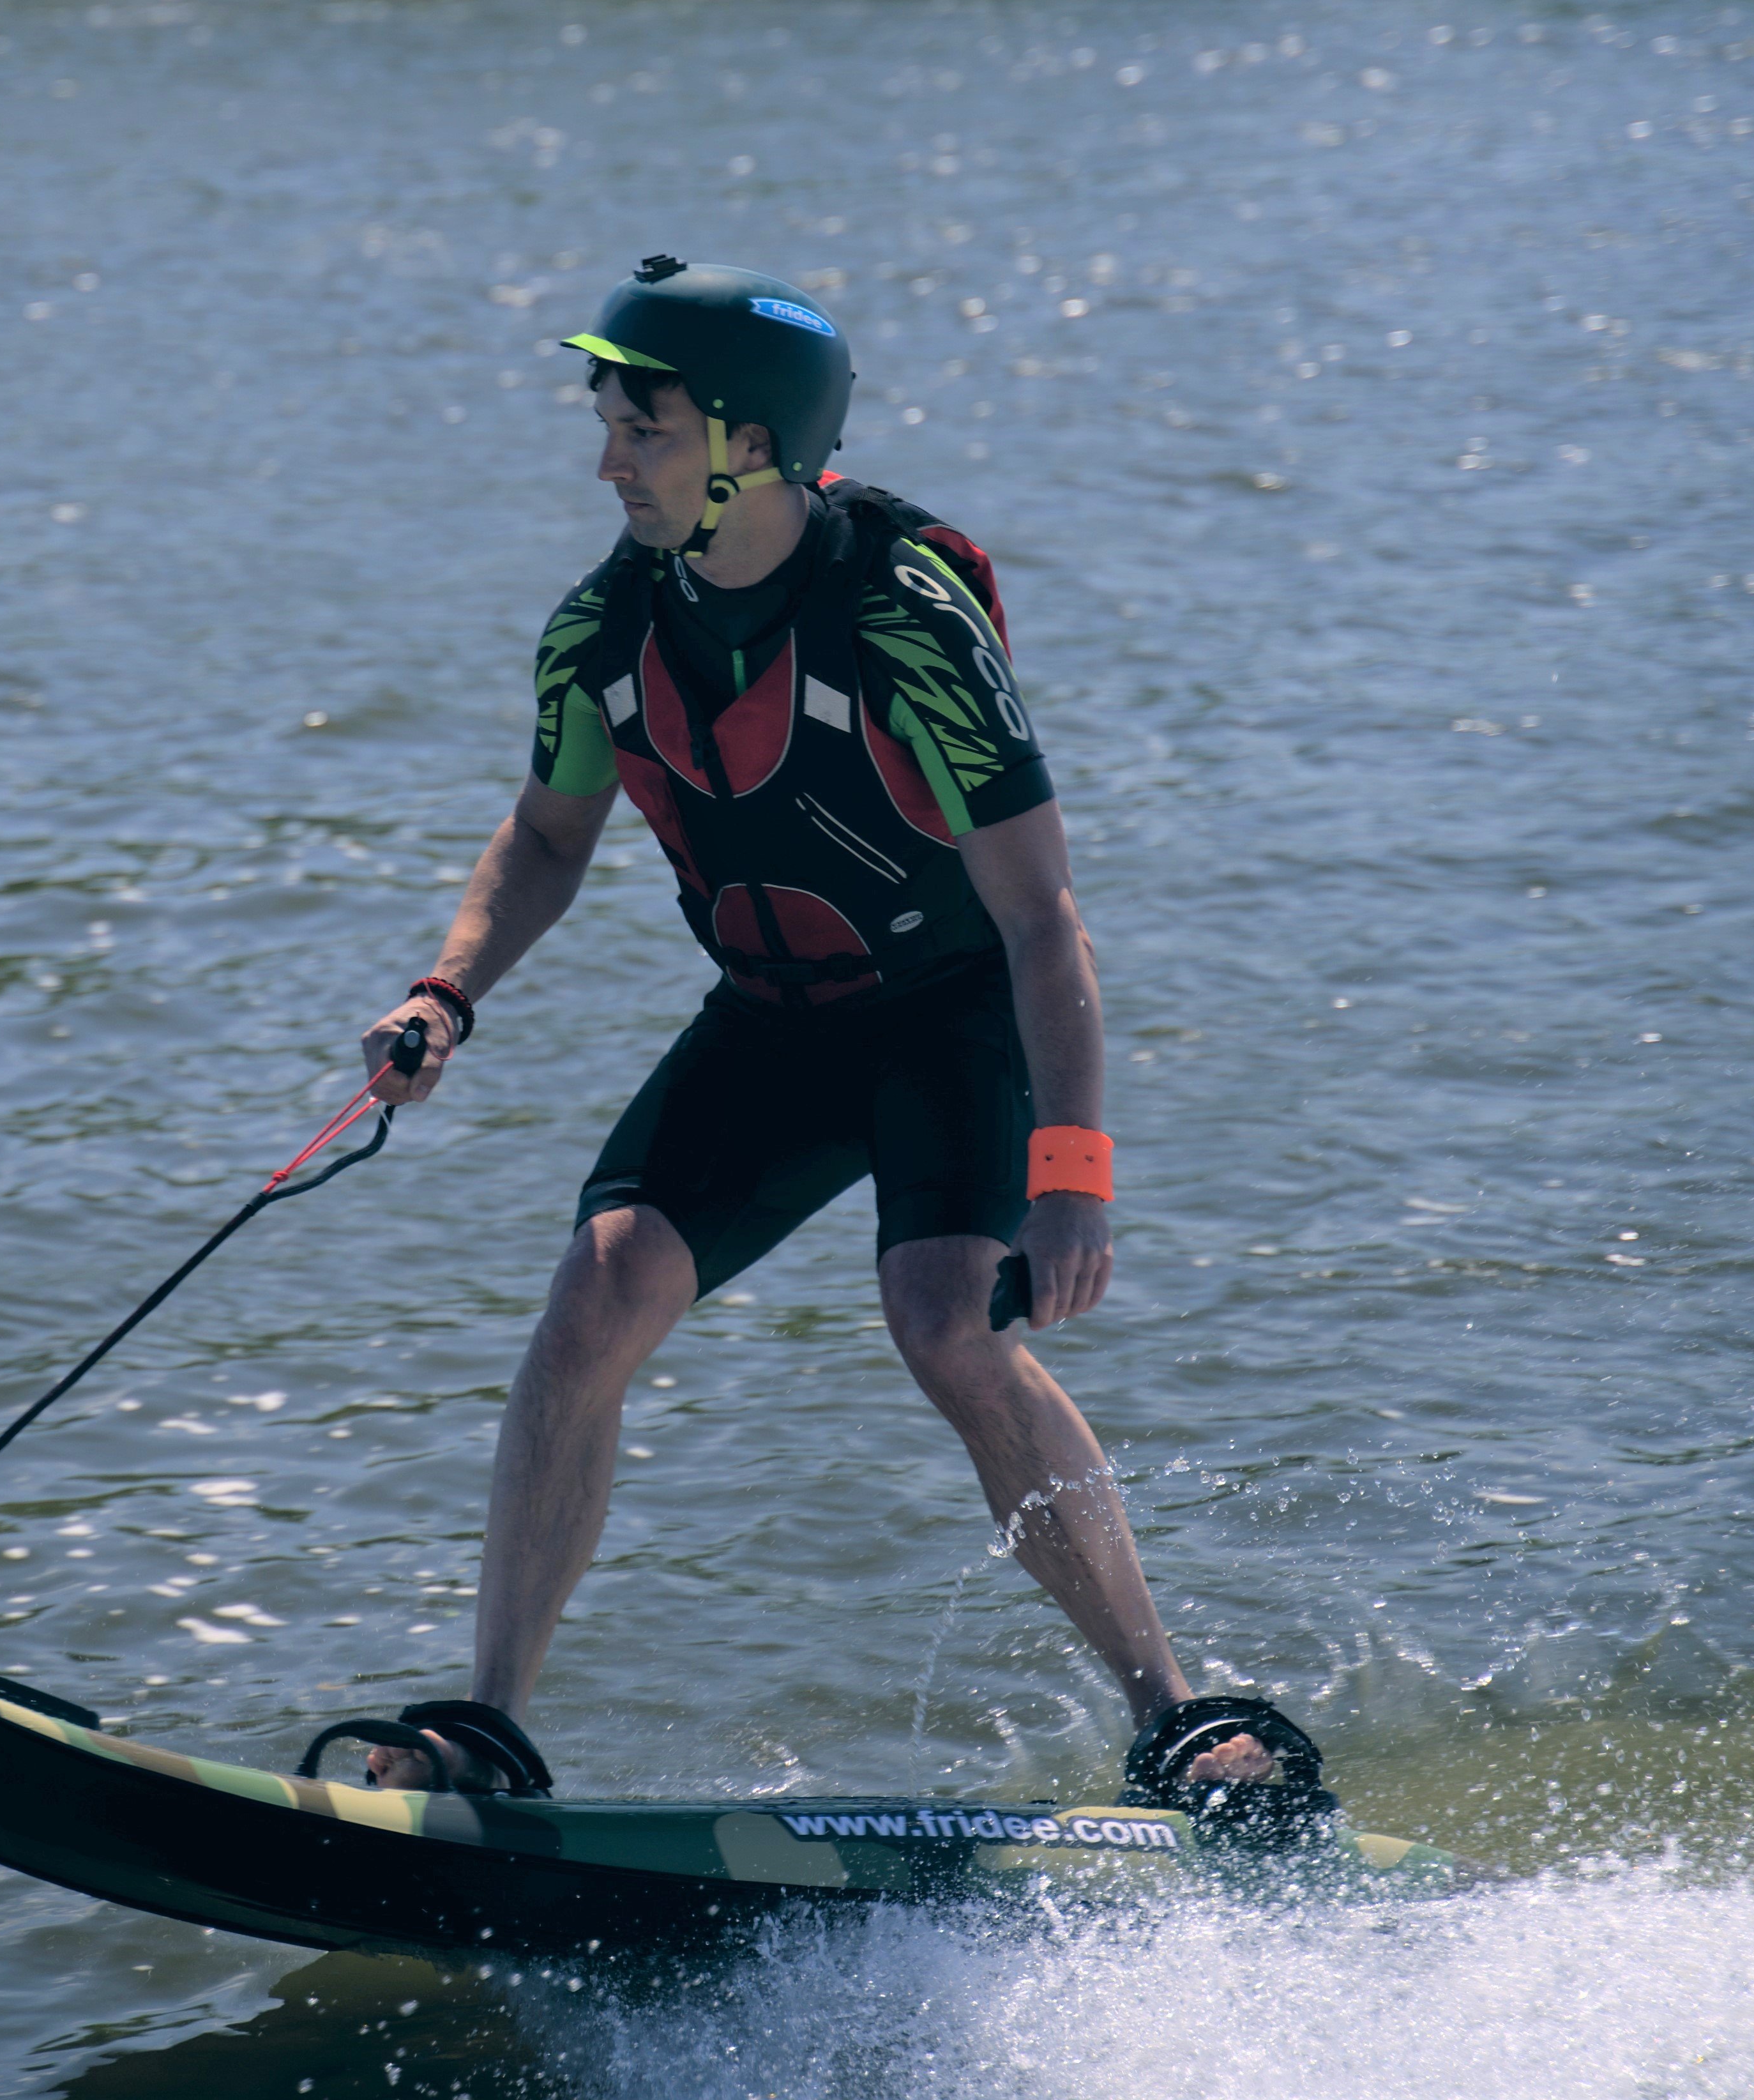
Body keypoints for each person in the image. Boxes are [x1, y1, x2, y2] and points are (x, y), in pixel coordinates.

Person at [338, 257, 1283, 1802]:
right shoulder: (601, 633)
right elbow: (548, 838)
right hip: (771, 1023)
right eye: (603, 424)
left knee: (944, 1324)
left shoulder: (904, 621)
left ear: (751, 442)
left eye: (641, 429)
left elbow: (1043, 917)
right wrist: (447, 990)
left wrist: (1072, 1167)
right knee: (591, 1305)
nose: (606, 462)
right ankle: (492, 1722)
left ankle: (1174, 1714)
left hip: (950, 1014)